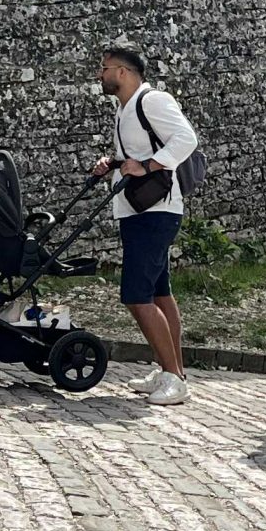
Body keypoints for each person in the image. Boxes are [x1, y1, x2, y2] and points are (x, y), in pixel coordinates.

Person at [93, 43, 200, 407]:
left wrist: (149, 166)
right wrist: (113, 163)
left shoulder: (152, 101)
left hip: (156, 211)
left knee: (137, 296)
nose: (101, 75)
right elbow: (135, 155)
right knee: (158, 292)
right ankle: (172, 371)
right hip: (138, 210)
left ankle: (173, 377)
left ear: (122, 72)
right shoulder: (124, 108)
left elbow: (186, 139)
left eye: (105, 68)